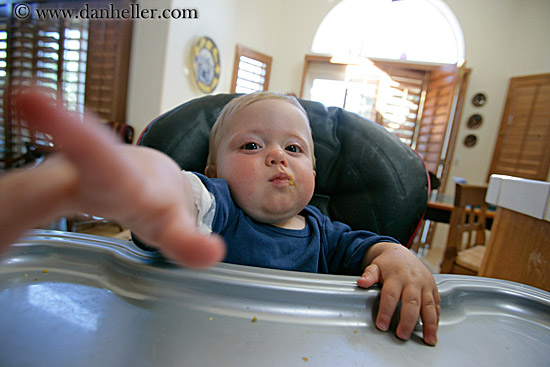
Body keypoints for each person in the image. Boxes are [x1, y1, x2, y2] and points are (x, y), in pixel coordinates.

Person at [1, 89, 439, 346]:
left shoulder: (325, 234)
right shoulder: (220, 206)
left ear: (314, 173)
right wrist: (155, 186)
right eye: (251, 146)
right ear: (214, 171)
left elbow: (369, 249)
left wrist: (399, 256)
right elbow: (182, 201)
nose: (276, 157)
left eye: (294, 148)